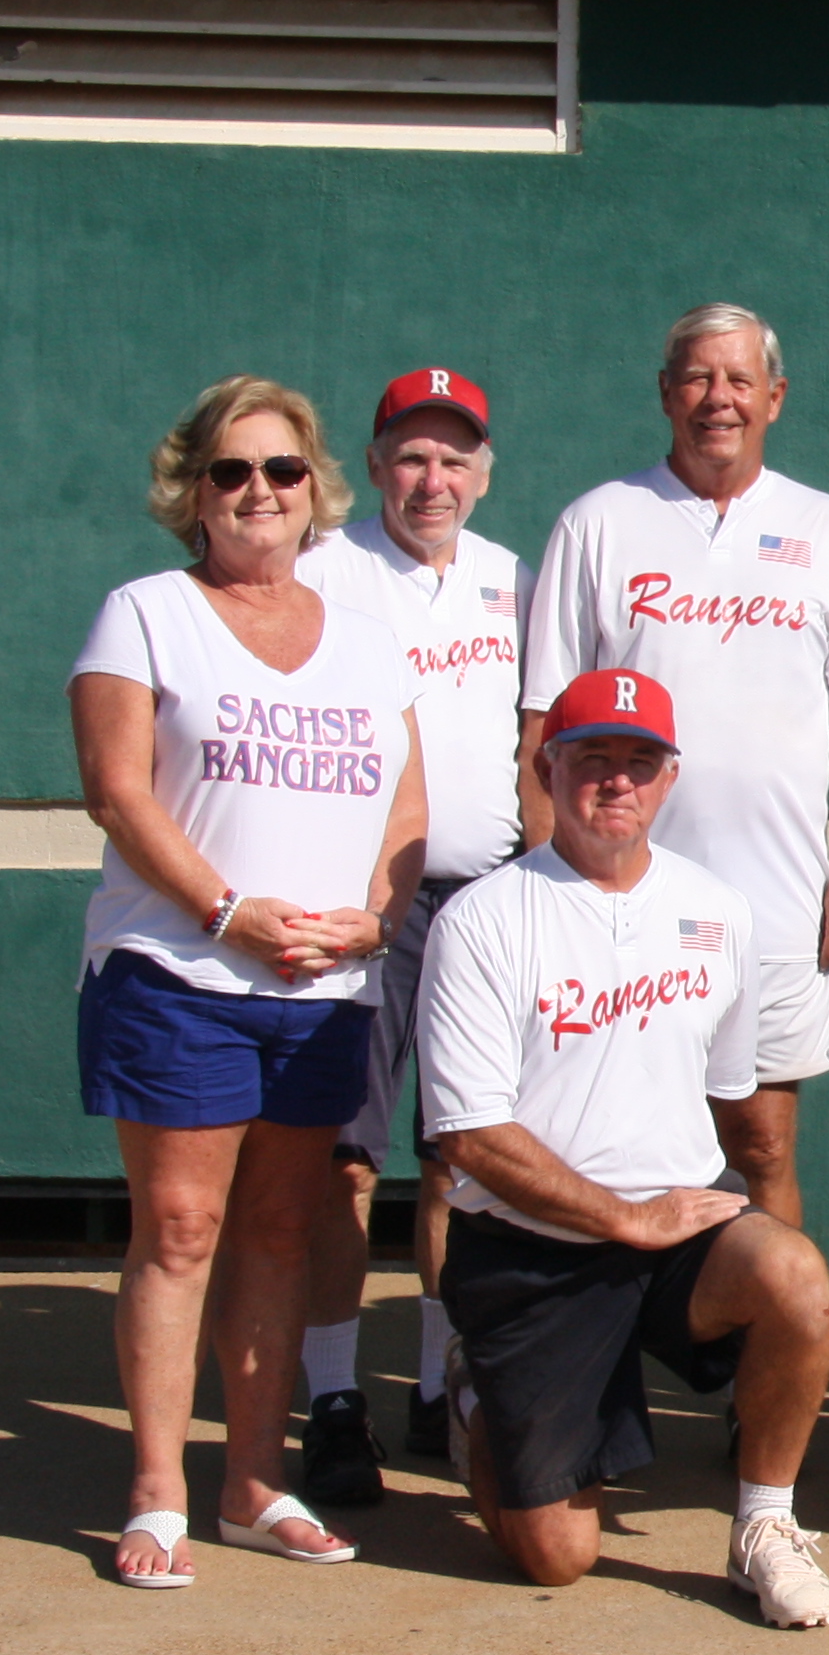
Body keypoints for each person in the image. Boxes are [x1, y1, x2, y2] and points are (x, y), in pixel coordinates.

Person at [67, 377, 425, 1590]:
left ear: (315, 486)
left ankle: (252, 1484)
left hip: (321, 991)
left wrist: (371, 923)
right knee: (180, 1229)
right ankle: (159, 1492)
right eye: (231, 472)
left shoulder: (370, 642)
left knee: (281, 1228)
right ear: (192, 491)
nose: (258, 493)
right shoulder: (145, 614)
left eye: (280, 470)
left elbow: (407, 807)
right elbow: (119, 790)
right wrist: (228, 911)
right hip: (179, 972)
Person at [418, 670, 829, 1628]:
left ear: (669, 778)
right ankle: (477, 1393)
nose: (617, 782)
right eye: (593, 760)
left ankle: (765, 1529)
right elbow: (472, 1136)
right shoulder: (483, 919)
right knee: (555, 1560)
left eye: (639, 763)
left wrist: (678, 1221)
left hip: (674, 1238)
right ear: (547, 768)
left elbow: (730, 1100)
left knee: (797, 1281)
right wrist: (621, 1216)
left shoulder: (718, 912)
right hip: (532, 1254)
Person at [516, 302, 829, 1230]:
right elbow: (543, 721)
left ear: (775, 397)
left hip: (775, 904)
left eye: (738, 380)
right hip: (616, 901)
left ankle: (761, 1362)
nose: (717, 399)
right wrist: (546, 883)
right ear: (664, 394)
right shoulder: (599, 523)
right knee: (594, 1140)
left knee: (762, 1145)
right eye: (697, 377)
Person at [292, 367, 530, 1504]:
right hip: (359, 904)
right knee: (341, 1159)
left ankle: (443, 1383)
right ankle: (333, 1400)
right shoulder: (325, 569)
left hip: (483, 903)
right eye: (412, 456)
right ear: (377, 465)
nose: (432, 480)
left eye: (454, 459)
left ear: (484, 473)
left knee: (459, 1157)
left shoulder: (511, 582)